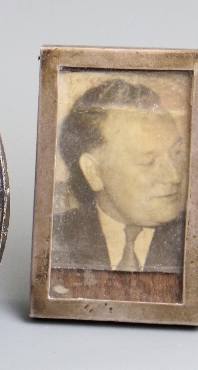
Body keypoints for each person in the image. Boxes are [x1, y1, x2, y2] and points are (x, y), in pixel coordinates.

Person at [52, 79, 187, 273]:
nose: (174, 176)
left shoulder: (190, 237)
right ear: (93, 171)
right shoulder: (56, 237)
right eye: (148, 161)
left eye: (176, 152)